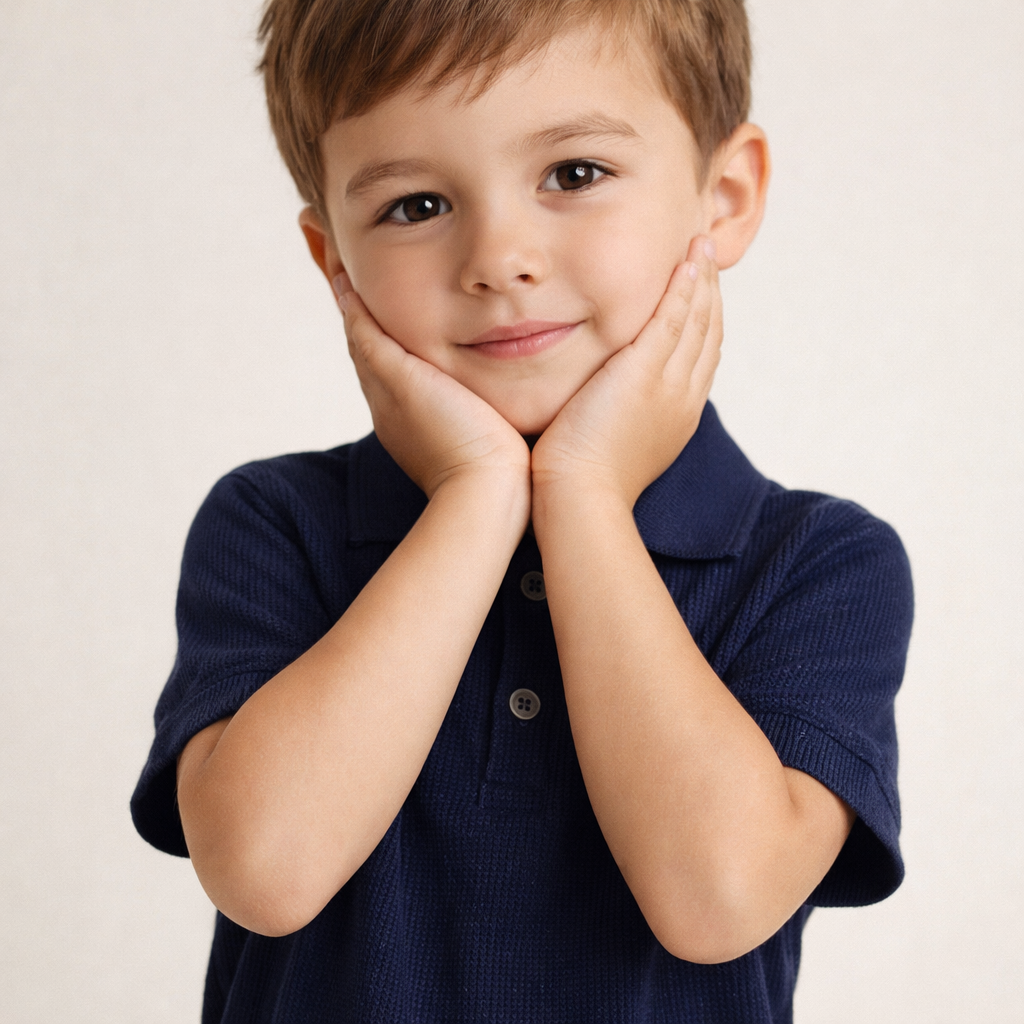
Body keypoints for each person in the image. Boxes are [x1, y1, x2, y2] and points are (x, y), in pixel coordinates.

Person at [131, 1, 913, 1020]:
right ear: (333, 260)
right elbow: (266, 871)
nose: (498, 257)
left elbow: (716, 900)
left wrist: (583, 495)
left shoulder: (816, 561)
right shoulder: (275, 524)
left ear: (722, 198)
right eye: (416, 205)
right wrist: (474, 495)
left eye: (573, 174)